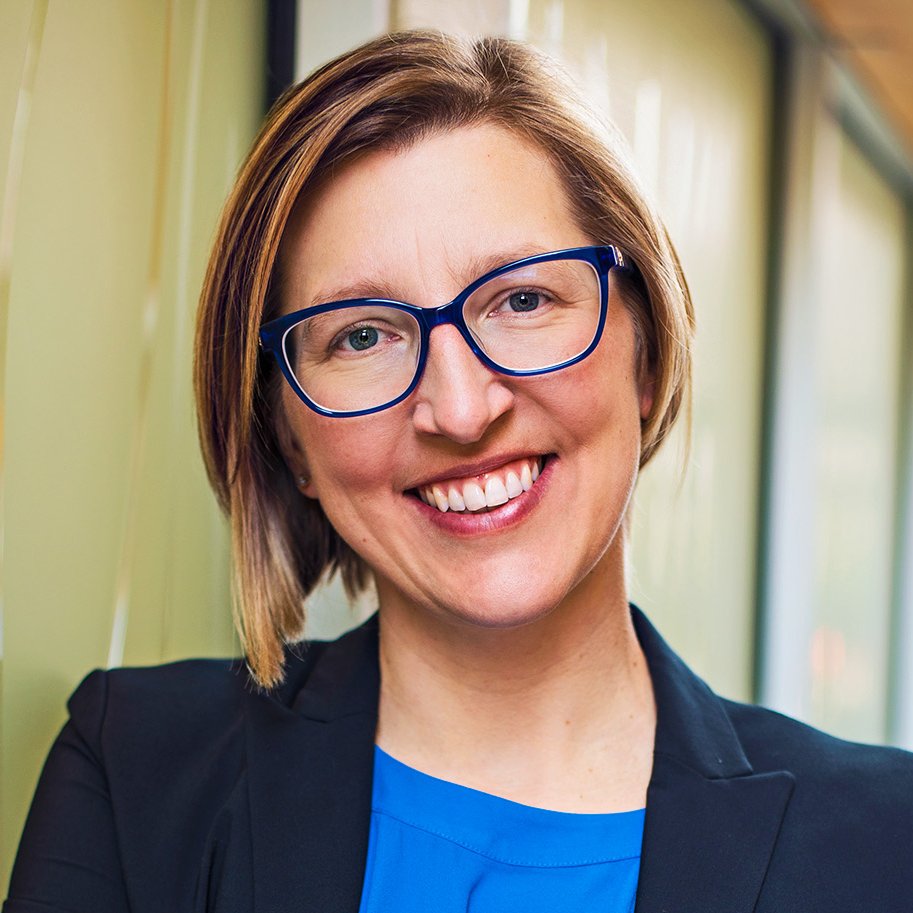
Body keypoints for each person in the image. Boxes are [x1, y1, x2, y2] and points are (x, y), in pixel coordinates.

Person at [5, 29, 913, 913]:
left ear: (644, 351)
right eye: (361, 335)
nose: (462, 408)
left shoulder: (884, 841)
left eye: (522, 298)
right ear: (288, 437)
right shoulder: (134, 773)